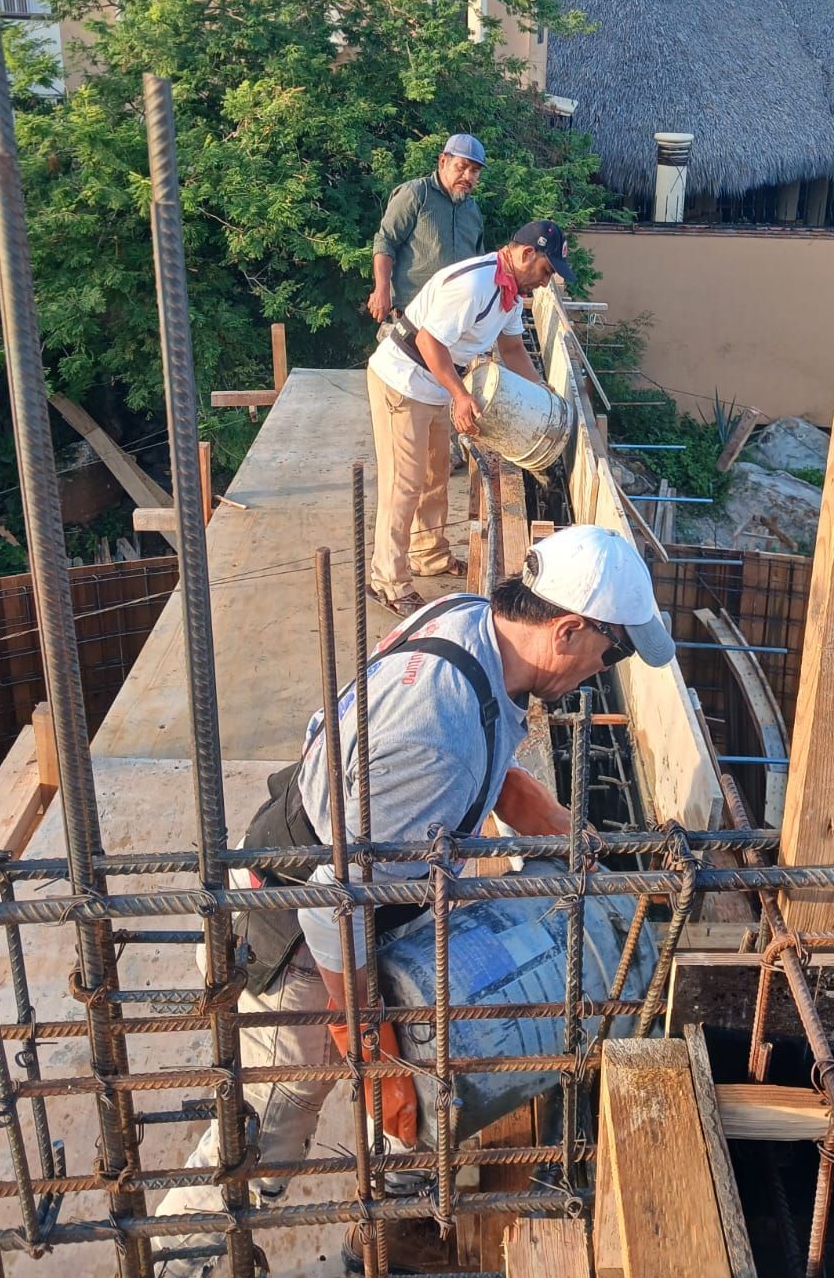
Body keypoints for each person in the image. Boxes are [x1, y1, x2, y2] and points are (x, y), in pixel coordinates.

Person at [152, 524, 676, 1277]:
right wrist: (376, 1056)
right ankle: (185, 1253)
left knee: (415, 1106)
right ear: (568, 629)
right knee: (274, 1125)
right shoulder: (437, 734)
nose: (604, 669)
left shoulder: (473, 625)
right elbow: (337, 912)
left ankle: (391, 1232)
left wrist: (568, 835)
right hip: (301, 927)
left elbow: (489, 767)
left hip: (361, 888)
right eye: (612, 650)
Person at [364, 219, 575, 616]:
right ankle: (388, 582)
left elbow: (512, 349)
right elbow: (427, 340)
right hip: (403, 379)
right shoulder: (476, 284)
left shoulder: (510, 293)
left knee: (435, 476)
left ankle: (429, 555)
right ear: (527, 254)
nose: (546, 284)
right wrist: (461, 396)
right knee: (403, 485)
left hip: (436, 383)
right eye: (546, 272)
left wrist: (543, 396)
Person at [367, 136, 487, 326]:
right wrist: (381, 290)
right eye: (461, 167)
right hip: (411, 315)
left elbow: (479, 263)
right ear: (442, 161)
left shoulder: (473, 210)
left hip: (454, 320)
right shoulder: (415, 194)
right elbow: (386, 241)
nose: (467, 176)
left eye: (474, 171)